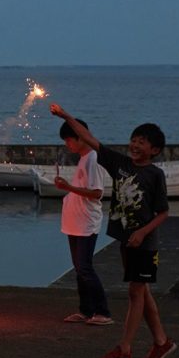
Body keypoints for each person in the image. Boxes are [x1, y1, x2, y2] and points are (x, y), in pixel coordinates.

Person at [50, 103, 176, 358]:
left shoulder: (155, 174)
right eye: (133, 140)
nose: (135, 145)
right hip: (126, 240)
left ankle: (125, 349)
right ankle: (161, 342)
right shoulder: (119, 164)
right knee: (143, 292)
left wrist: (142, 232)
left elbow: (164, 212)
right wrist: (66, 116)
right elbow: (89, 139)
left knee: (135, 293)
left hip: (144, 243)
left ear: (154, 150)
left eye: (142, 142)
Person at [53, 117, 112, 326]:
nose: (67, 145)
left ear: (79, 138)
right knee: (79, 268)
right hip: (75, 222)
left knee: (85, 268)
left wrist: (68, 187)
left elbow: (96, 193)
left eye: (68, 140)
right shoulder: (84, 158)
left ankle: (102, 311)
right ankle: (86, 310)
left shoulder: (93, 159)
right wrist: (67, 188)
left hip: (86, 223)